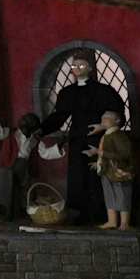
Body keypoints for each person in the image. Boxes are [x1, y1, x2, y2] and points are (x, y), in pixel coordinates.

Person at [40, 53, 126, 224]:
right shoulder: (68, 92)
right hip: (78, 138)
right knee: (79, 175)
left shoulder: (103, 91)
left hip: (100, 139)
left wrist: (102, 127)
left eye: (81, 66)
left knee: (99, 174)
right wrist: (41, 130)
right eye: (73, 66)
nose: (76, 69)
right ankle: (83, 212)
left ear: (90, 68)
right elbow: (60, 116)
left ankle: (103, 213)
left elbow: (118, 114)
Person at [0, 112, 63, 223]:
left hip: (24, 165)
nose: (24, 127)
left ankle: (25, 211)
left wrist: (58, 148)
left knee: (25, 188)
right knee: (7, 188)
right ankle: (9, 213)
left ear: (33, 129)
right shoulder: (10, 132)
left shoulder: (35, 140)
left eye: (28, 125)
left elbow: (44, 153)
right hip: (8, 163)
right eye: (23, 124)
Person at [90, 110, 135, 229]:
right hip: (107, 171)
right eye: (103, 117)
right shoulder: (107, 135)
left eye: (107, 118)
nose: (103, 120)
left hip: (119, 171)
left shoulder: (119, 136)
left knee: (122, 196)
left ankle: (124, 222)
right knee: (109, 196)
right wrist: (98, 163)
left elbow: (124, 154)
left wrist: (100, 152)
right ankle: (112, 221)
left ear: (117, 121)